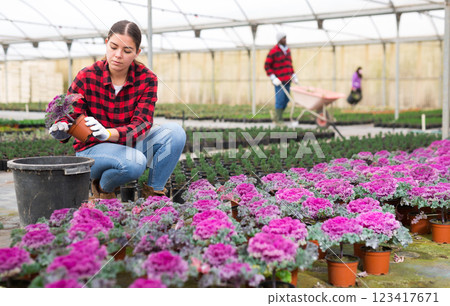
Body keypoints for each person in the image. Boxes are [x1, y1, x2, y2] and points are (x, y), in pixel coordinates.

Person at [49, 20, 186, 199]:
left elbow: (142, 124)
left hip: (127, 142)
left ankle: (154, 196)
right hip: (92, 149)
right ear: (106, 43)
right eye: (113, 47)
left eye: (127, 51)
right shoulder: (87, 76)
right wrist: (62, 127)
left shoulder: (147, 79)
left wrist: (108, 133)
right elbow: (70, 113)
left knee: (175, 133)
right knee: (135, 162)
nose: (118, 55)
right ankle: (103, 187)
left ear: (137, 52)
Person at [264, 32, 298, 124]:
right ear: (279, 40)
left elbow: (289, 65)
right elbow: (267, 65)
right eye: (283, 38)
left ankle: (276, 116)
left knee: (286, 100)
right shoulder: (274, 51)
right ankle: (278, 120)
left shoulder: (287, 51)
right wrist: (272, 77)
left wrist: (293, 75)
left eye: (285, 38)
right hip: (279, 81)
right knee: (280, 99)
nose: (285, 40)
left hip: (288, 79)